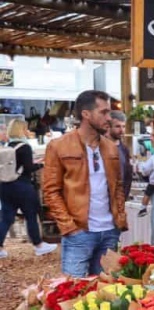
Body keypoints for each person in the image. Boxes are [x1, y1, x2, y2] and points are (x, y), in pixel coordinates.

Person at [42, 90, 127, 277]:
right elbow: (50, 191)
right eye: (103, 112)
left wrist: (119, 218)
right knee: (73, 292)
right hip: (79, 232)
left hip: (109, 231)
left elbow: (118, 186)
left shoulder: (111, 147)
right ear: (86, 114)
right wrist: (69, 227)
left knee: (105, 293)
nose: (109, 117)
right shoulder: (59, 146)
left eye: (109, 112)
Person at [0, 119, 57, 258]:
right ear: (22, 130)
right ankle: (38, 245)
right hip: (22, 185)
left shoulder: (8, 146)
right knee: (31, 214)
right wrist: (41, 165)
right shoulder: (24, 147)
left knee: (7, 217)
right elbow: (29, 168)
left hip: (5, 185)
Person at [107, 111, 133, 200]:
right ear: (108, 127)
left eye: (123, 126)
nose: (122, 130)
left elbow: (127, 175)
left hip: (119, 198)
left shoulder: (124, 149)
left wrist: (124, 196)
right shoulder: (99, 147)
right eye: (117, 126)